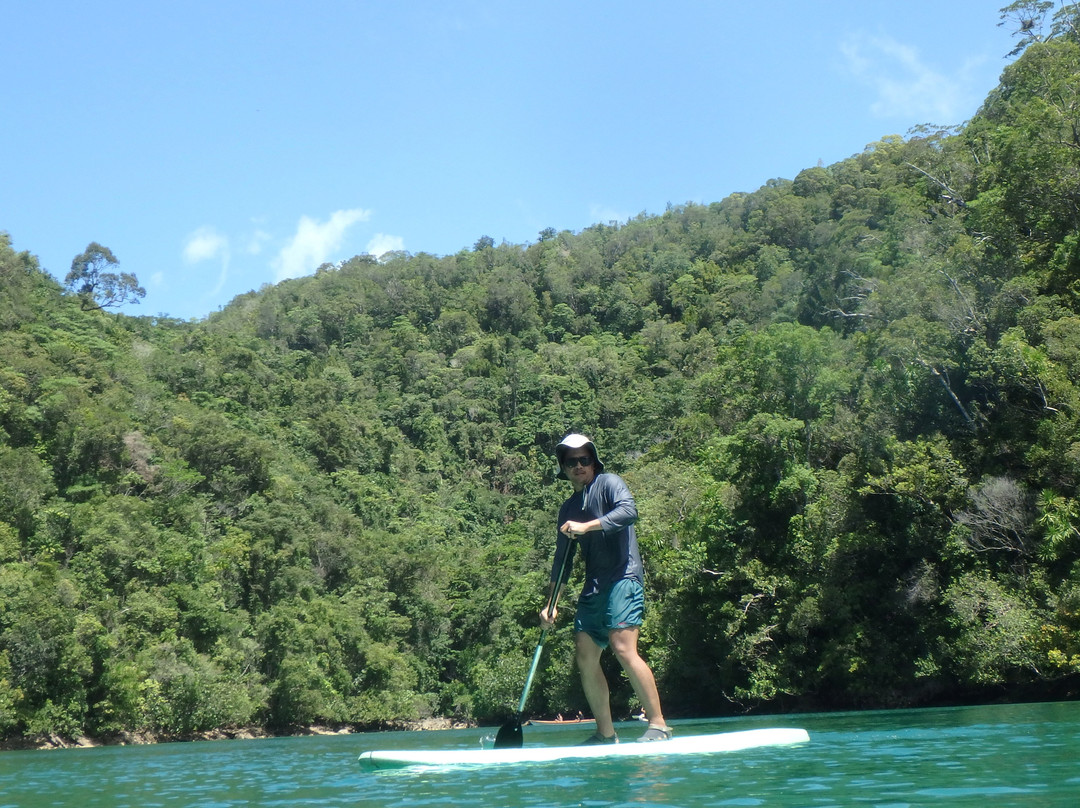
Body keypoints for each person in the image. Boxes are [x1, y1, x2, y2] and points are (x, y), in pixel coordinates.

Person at [539, 433, 672, 744]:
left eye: (584, 459)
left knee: (623, 647)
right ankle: (605, 733)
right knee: (585, 654)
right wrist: (551, 604)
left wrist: (587, 526)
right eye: (571, 462)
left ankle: (659, 724)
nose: (578, 466)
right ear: (563, 467)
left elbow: (629, 512)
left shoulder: (610, 483)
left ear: (593, 461)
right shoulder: (568, 508)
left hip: (624, 577)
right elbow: (562, 562)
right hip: (594, 586)